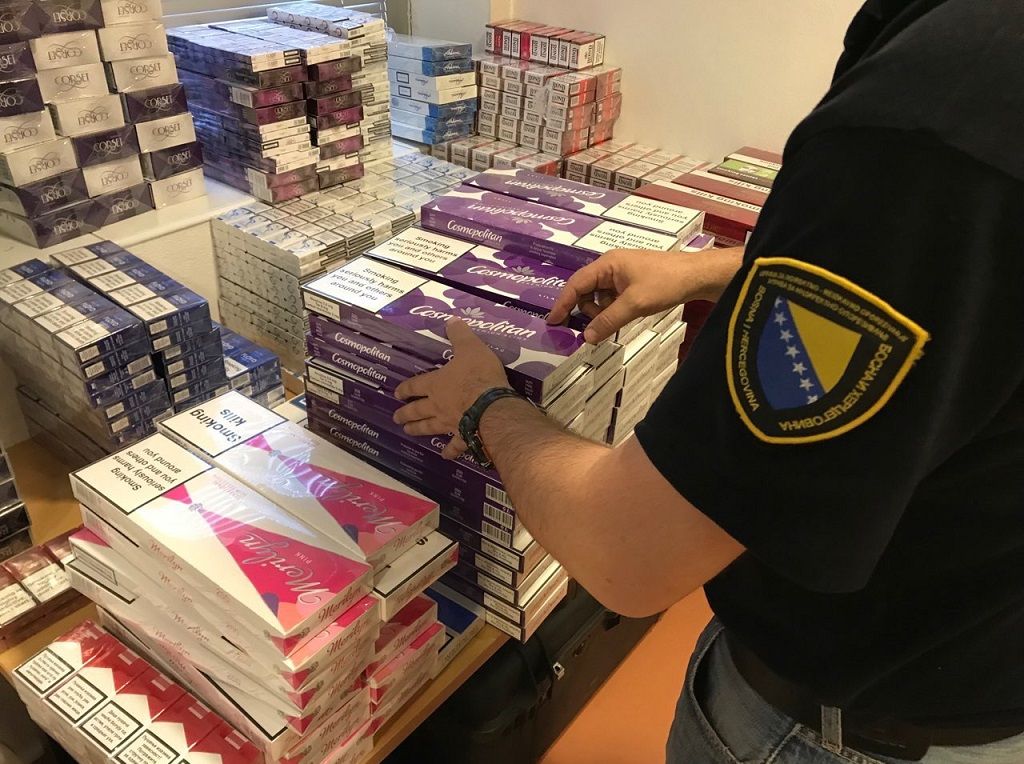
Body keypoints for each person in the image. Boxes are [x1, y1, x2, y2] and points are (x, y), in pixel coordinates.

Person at [393, 0, 1024, 761]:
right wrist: (728, 270)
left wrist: (484, 406)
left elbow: (629, 556)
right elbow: (961, 294)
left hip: (844, 726)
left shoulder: (937, 114)